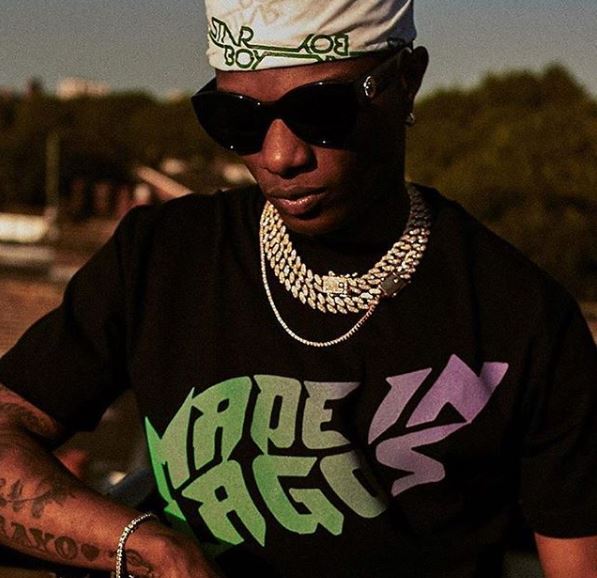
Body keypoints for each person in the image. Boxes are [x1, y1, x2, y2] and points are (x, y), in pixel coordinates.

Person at [0, 1, 596, 577]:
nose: (280, 155)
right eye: (237, 119)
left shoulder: (523, 319)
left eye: (323, 110)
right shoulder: (160, 257)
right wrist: (153, 550)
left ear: (406, 81)